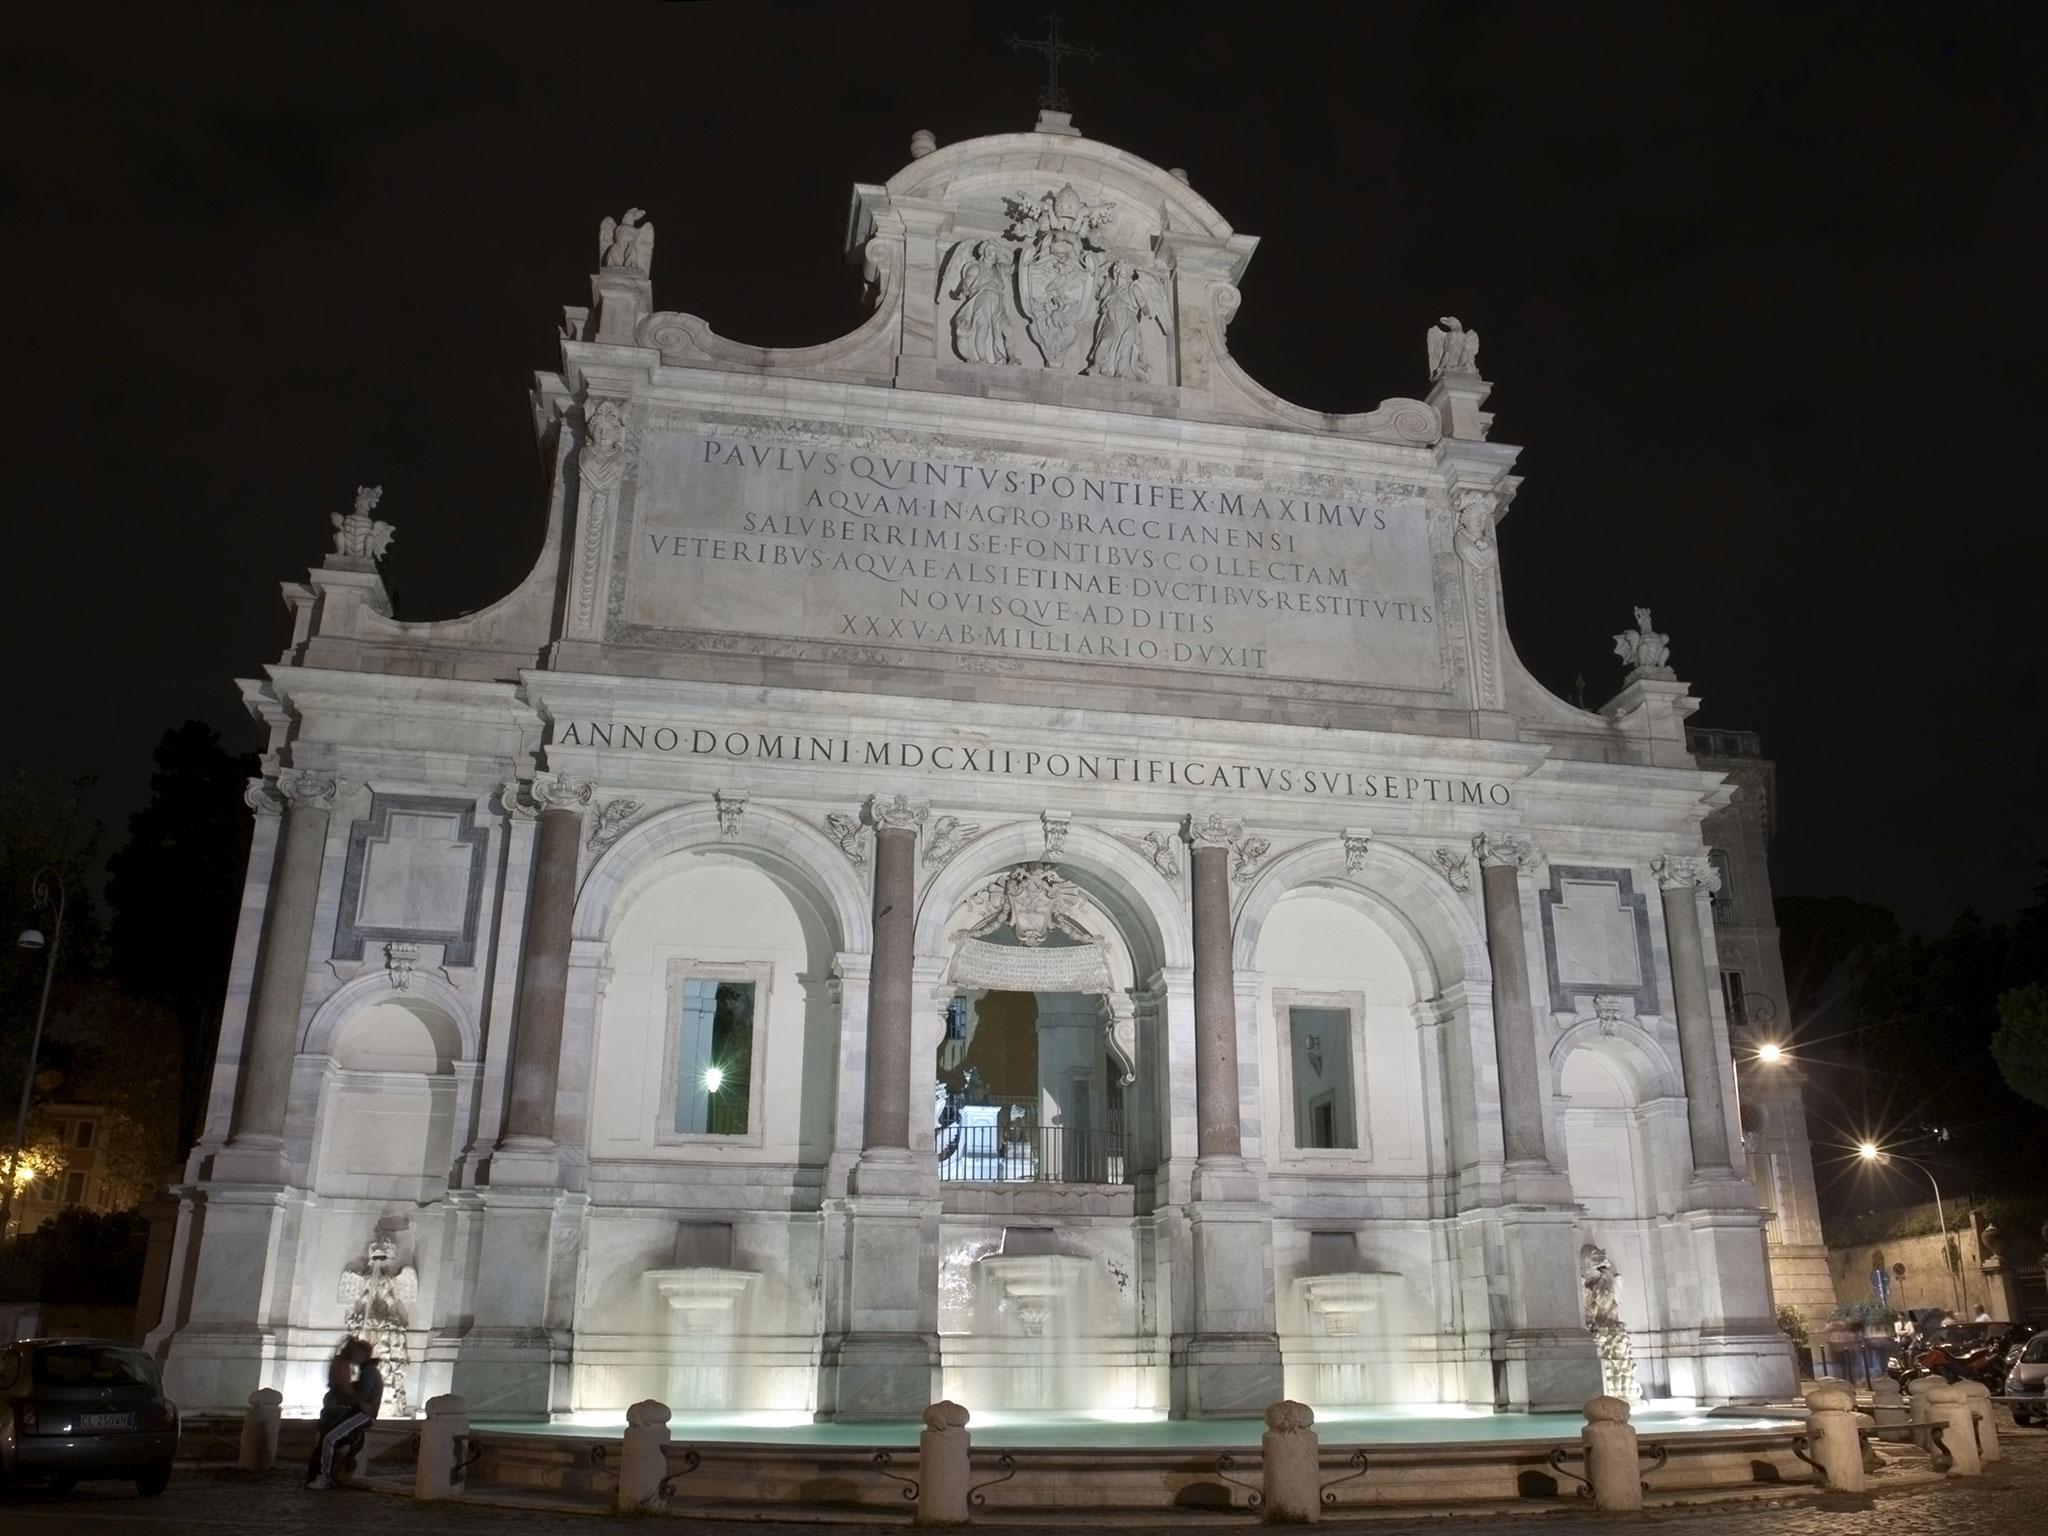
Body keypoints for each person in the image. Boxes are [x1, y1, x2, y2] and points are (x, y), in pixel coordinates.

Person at [306, 1338, 383, 1490]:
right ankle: (329, 1475)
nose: (354, 1359)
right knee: (331, 1439)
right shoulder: (368, 1370)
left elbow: (362, 1397)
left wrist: (349, 1394)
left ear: (362, 1355)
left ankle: (324, 1477)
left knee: (330, 1439)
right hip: (360, 1413)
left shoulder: (368, 1371)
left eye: (356, 1355)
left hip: (362, 1414)